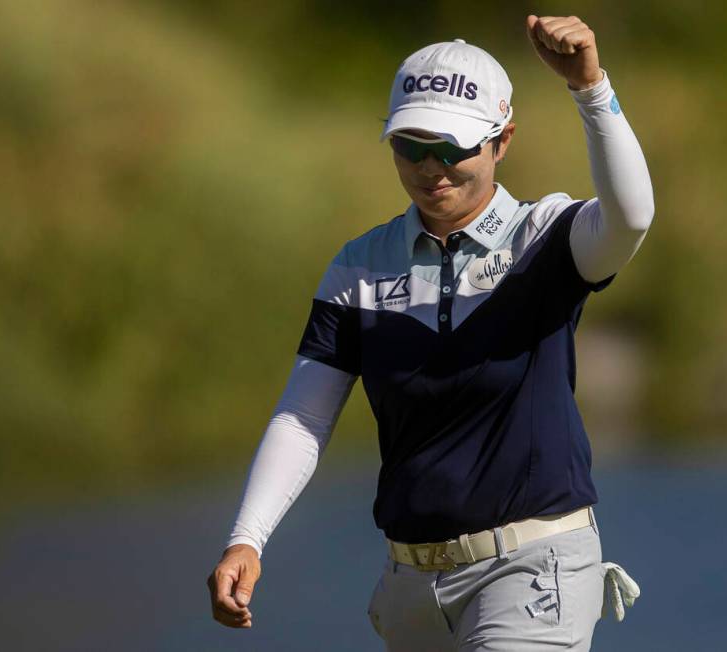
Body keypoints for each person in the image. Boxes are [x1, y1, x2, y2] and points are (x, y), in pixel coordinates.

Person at [207, 14, 652, 651]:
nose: (431, 167)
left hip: (533, 569)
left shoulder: (547, 238)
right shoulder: (358, 265)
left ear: (502, 141)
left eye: (453, 147)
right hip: (412, 589)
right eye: (411, 146)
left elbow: (631, 218)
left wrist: (591, 91)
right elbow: (305, 416)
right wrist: (246, 537)